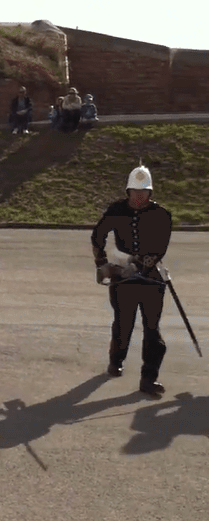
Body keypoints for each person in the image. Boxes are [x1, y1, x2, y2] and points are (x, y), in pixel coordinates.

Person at [91, 165, 173, 396]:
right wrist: (102, 263)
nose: (139, 196)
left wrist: (137, 266)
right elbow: (98, 235)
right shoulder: (116, 209)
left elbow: (159, 248)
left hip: (150, 279)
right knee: (122, 323)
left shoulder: (162, 214)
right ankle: (116, 360)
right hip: (121, 278)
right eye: (135, 192)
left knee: (152, 330)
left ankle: (148, 379)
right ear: (128, 191)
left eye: (144, 192)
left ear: (150, 193)